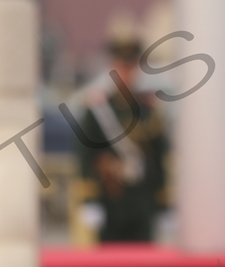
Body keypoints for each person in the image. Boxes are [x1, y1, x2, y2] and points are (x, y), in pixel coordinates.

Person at [72, 24, 170, 244]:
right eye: (121, 67)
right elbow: (86, 155)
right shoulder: (98, 110)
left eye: (130, 67)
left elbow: (159, 157)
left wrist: (163, 203)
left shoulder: (149, 111)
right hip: (110, 201)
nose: (126, 73)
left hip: (143, 204)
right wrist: (89, 200)